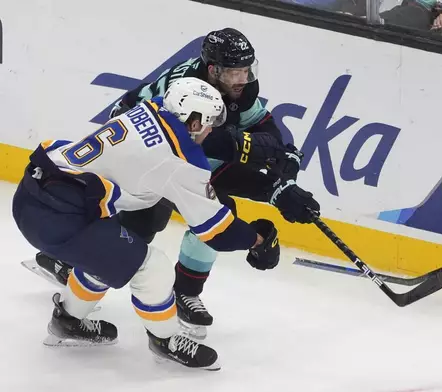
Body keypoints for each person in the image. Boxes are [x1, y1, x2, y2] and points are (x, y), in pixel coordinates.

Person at [28, 27, 320, 337]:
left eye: (247, 70)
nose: (243, 79)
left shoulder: (236, 88)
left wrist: (281, 168)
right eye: (236, 72)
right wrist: (268, 185)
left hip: (167, 152)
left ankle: (184, 290)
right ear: (213, 70)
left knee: (199, 209)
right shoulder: (186, 89)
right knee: (146, 223)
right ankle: (72, 259)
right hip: (143, 150)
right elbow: (204, 147)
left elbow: (261, 131)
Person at [12, 77, 281, 370]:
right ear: (192, 122)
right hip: (60, 217)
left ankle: (68, 321)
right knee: (153, 269)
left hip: (33, 191)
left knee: (108, 255)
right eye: (209, 123)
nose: (211, 130)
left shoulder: (148, 108)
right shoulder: (181, 159)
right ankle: (166, 342)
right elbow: (216, 231)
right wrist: (257, 240)